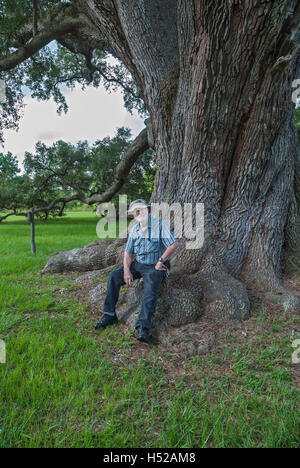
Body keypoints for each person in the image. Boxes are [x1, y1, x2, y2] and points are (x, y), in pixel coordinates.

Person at [94, 199, 179, 343]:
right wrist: (127, 271)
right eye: (136, 211)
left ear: (147, 210)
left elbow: (173, 244)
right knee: (114, 276)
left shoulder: (159, 225)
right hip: (138, 264)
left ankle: (143, 327)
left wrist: (160, 261)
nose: (139, 213)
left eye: (141, 209)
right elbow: (128, 253)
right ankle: (109, 315)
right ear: (134, 215)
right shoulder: (135, 229)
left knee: (150, 289)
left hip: (155, 266)